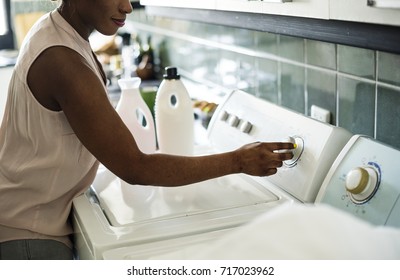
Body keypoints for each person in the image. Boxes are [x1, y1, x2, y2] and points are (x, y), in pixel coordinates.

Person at [0, 0, 294, 260]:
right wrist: (238, 161)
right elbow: (134, 167)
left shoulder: (60, 32)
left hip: (31, 219)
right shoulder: (62, 61)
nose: (127, 6)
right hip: (27, 234)